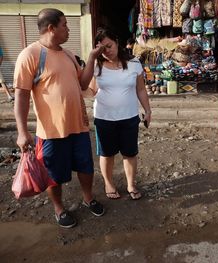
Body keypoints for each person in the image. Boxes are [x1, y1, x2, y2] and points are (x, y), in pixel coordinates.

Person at [13, 8, 105, 228]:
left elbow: (83, 84)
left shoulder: (68, 54)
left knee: (85, 167)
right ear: (51, 28)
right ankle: (59, 209)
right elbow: (22, 96)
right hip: (51, 132)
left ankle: (88, 198)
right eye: (65, 25)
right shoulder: (30, 55)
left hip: (79, 127)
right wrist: (22, 131)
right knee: (53, 174)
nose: (68, 29)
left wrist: (92, 57)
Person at [87, 27, 151, 200]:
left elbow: (141, 90)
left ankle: (131, 184)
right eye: (102, 49)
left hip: (129, 117)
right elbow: (88, 90)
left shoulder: (134, 63)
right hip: (104, 118)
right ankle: (109, 183)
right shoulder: (96, 65)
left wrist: (148, 110)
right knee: (107, 154)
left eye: (109, 46)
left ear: (117, 42)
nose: (107, 51)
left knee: (130, 153)